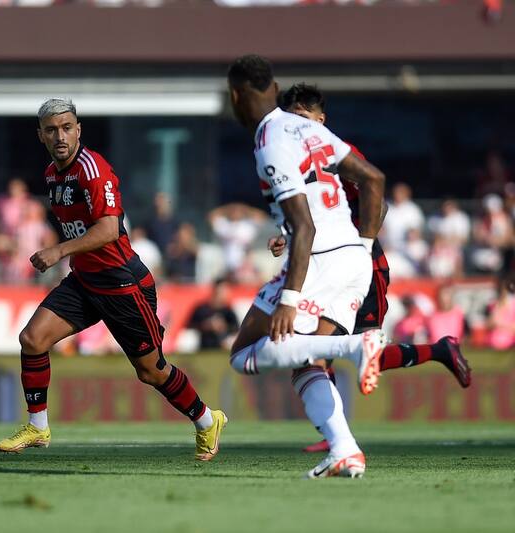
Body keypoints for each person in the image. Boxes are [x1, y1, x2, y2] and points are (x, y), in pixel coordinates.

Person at [0, 98, 226, 461]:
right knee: (32, 338)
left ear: (79, 130)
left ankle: (206, 419)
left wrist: (58, 251)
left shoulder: (92, 169)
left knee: (151, 371)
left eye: (67, 127)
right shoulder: (52, 175)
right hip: (85, 281)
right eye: (52, 130)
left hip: (122, 283)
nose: (61, 136)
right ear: (40, 135)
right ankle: (37, 427)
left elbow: (108, 229)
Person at [279, 82, 471, 454]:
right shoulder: (290, 161)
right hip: (323, 267)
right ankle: (337, 434)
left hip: (361, 267)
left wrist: (359, 247)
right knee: (316, 351)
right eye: (291, 119)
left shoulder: (338, 154)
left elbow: (378, 204)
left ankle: (439, 351)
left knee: (355, 354)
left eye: (303, 119)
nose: (297, 127)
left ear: (321, 119)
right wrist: (286, 237)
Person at [226, 56, 391, 479]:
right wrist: (363, 247)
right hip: (353, 257)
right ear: (275, 86)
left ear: (235, 96)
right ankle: (344, 449)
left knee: (244, 353)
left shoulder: (269, 140)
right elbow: (374, 180)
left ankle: (355, 348)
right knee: (306, 363)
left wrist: (289, 299)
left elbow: (305, 225)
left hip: (318, 259)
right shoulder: (308, 127)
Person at [186, 278, 239, 350]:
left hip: (224, 347)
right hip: (204, 347)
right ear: (216, 290)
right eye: (223, 290)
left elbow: (236, 328)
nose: (226, 293)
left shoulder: (228, 311)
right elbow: (190, 326)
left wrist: (223, 326)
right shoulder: (202, 309)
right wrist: (207, 325)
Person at [382, 182, 424, 253]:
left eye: (400, 193)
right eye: (396, 192)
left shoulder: (413, 209)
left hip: (407, 246)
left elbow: (416, 232)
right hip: (387, 245)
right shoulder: (386, 206)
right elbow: (380, 229)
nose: (397, 195)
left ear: (406, 194)